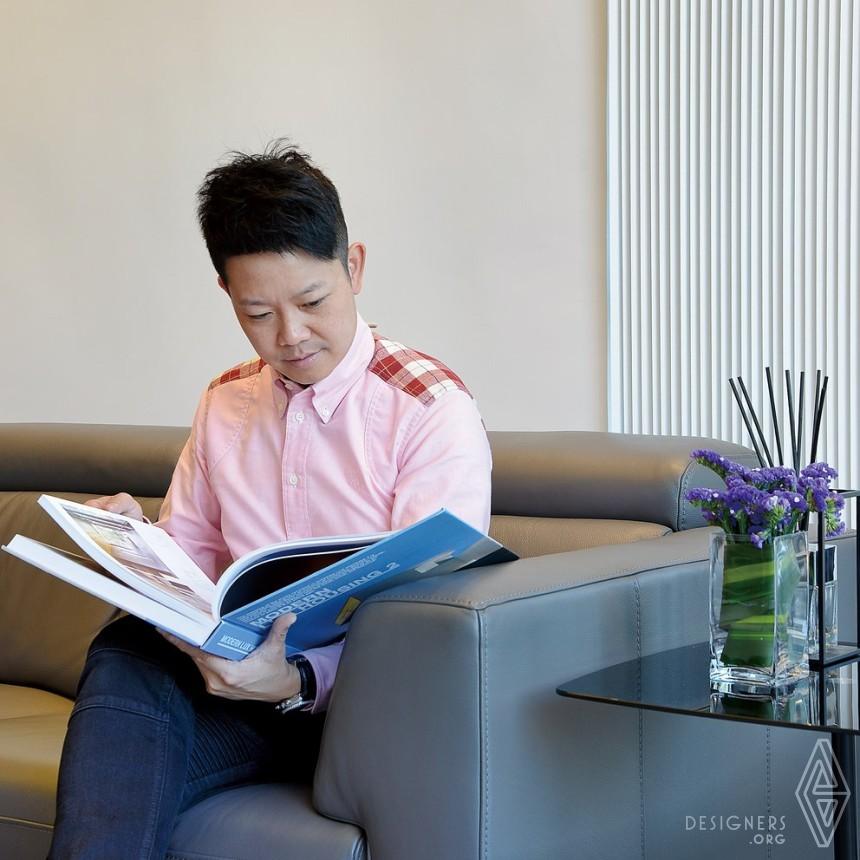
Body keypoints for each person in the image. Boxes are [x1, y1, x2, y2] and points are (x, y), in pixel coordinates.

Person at [48, 140, 492, 859]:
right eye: (257, 313)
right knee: (128, 649)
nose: (290, 336)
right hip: (229, 693)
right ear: (227, 294)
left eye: (312, 302)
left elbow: (433, 621)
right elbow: (192, 559)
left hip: (357, 711)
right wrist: (134, 548)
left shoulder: (426, 408)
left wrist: (295, 678)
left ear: (354, 267)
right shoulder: (226, 402)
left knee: (121, 782)